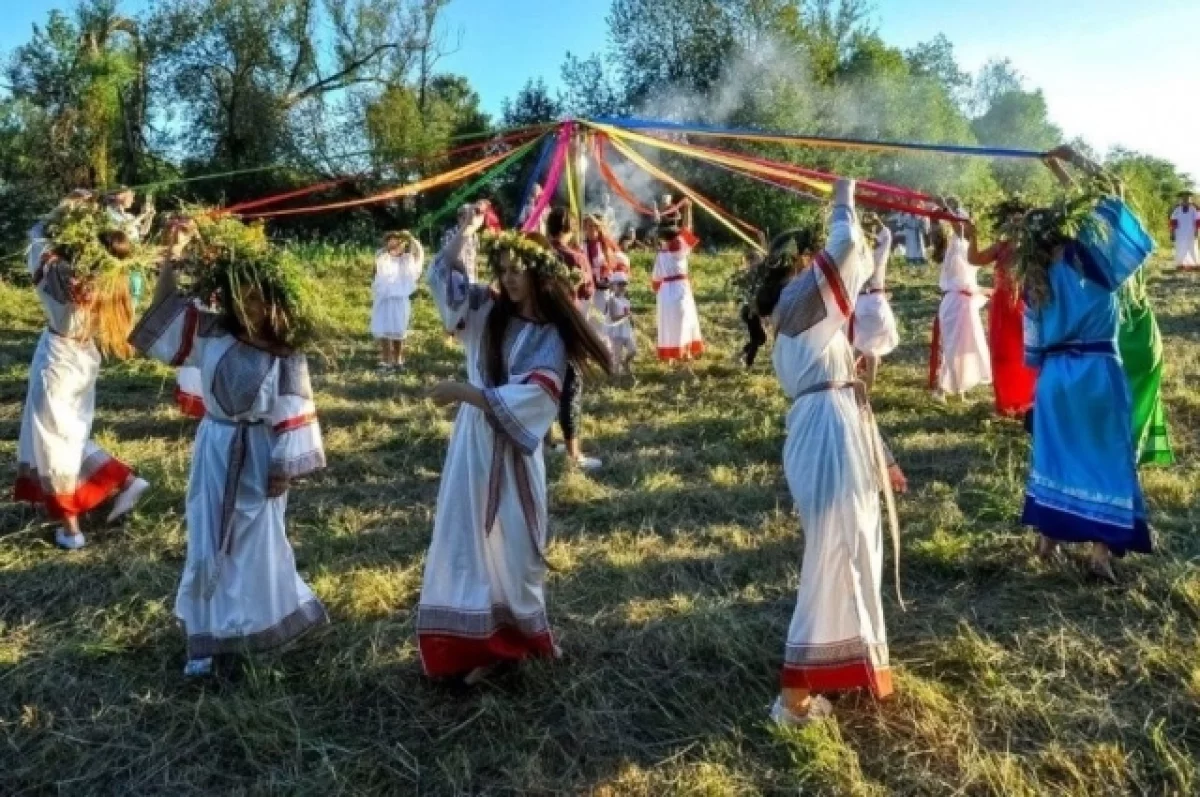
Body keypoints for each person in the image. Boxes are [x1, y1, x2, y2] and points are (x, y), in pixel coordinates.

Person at [129, 224, 328, 676]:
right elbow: (163, 313)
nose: (248, 305)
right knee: (207, 536)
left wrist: (283, 466)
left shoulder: (284, 352)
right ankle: (210, 634)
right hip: (216, 446)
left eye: (256, 296)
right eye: (241, 295)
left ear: (274, 300)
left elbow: (295, 407)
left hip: (259, 453)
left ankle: (251, 628)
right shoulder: (213, 334)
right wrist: (171, 258)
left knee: (252, 540)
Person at [416, 229, 612, 683]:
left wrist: (465, 391)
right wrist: (461, 237)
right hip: (475, 444)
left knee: (520, 543)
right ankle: (481, 645)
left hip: (516, 448)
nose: (508, 280)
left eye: (516, 271)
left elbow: (537, 395)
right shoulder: (488, 310)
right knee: (471, 538)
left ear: (539, 273)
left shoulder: (553, 336)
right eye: (502, 270)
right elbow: (448, 282)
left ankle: (525, 636)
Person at [752, 180, 907, 726]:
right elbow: (845, 255)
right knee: (835, 553)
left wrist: (881, 455)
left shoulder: (803, 320)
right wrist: (843, 202)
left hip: (832, 431)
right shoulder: (798, 309)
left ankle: (846, 665)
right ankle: (794, 699)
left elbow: (855, 372)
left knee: (853, 546)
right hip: (826, 437)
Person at [1023, 146, 1154, 581]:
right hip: (1097, 374)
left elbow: (1032, 351)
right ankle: (1100, 556)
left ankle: (1047, 543)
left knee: (1056, 456)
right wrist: (1074, 161)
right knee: (1106, 458)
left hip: (1056, 380)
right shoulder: (1094, 263)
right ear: (1074, 228)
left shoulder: (1035, 279)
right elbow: (1112, 197)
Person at [15, 197, 151, 550]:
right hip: (85, 356)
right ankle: (123, 481)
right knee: (69, 432)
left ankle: (72, 528)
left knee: (52, 440)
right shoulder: (116, 284)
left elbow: (35, 238)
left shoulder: (65, 278)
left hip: (59, 358)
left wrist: (61, 210)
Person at [966, 200, 1037, 418]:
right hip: (1000, 307)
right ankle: (1005, 403)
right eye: (1010, 218)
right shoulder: (1001, 246)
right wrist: (973, 236)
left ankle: (1028, 402)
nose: (1014, 222)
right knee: (1001, 354)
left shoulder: (1032, 248)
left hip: (1024, 306)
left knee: (1024, 353)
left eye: (1018, 218)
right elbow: (974, 259)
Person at [546, 207, 603, 471]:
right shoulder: (574, 257)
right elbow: (588, 290)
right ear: (570, 229)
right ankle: (573, 454)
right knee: (570, 387)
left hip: (538, 326)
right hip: (567, 329)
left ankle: (546, 441)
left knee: (542, 383)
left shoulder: (538, 254)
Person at [929, 203, 991, 403]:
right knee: (952, 346)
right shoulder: (955, 244)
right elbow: (957, 226)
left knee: (967, 346)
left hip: (966, 304)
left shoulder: (968, 246)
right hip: (954, 303)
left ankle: (960, 389)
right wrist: (949, 213)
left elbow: (969, 281)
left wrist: (985, 291)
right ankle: (940, 389)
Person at [1118, 266, 1174, 466]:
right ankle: (1132, 458)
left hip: (1117, 344)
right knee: (1137, 407)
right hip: (1145, 338)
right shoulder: (1131, 247)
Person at [161, 217, 207, 419]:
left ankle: (205, 400)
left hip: (203, 310)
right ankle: (194, 400)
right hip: (186, 311)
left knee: (202, 355)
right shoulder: (171, 256)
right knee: (191, 357)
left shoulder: (200, 254)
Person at [652, 198, 704, 363]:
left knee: (670, 322)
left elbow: (655, 278)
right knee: (684, 319)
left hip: (666, 290)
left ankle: (674, 354)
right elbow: (688, 228)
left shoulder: (663, 252)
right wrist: (689, 210)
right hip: (679, 289)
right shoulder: (679, 247)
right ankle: (682, 353)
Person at [850, 215, 900, 390]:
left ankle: (850, 378)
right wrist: (878, 222)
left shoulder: (855, 256)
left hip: (859, 304)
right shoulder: (879, 255)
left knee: (858, 345)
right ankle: (867, 388)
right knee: (871, 351)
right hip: (877, 303)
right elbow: (887, 236)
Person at [371, 230, 425, 371]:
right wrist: (389, 248)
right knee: (384, 330)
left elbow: (419, 254)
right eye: (392, 241)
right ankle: (386, 360)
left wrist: (411, 237)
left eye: (399, 242)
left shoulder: (407, 260)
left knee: (398, 330)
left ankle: (398, 360)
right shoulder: (382, 256)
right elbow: (378, 265)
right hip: (384, 300)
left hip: (400, 301)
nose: (396, 245)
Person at [104, 186, 155, 309]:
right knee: (119, 291)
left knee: (135, 289)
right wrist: (142, 216)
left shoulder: (129, 216)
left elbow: (143, 232)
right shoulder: (108, 213)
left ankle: (129, 314)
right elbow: (121, 231)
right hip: (119, 258)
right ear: (120, 197)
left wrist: (149, 217)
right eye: (131, 196)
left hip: (134, 258)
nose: (133, 199)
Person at [738, 231, 770, 368]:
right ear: (751, 261)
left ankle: (741, 355)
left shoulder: (758, 272)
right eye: (758, 258)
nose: (761, 259)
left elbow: (767, 256)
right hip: (750, 311)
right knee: (757, 339)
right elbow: (767, 257)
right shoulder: (751, 274)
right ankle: (747, 364)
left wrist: (762, 239)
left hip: (753, 310)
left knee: (760, 339)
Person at [606, 270, 637, 377]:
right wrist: (625, 316)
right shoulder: (611, 300)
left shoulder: (626, 300)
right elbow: (614, 317)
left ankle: (626, 362)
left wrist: (632, 322)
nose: (622, 287)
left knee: (633, 350)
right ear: (613, 285)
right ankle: (615, 378)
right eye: (619, 284)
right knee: (617, 357)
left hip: (626, 330)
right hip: (616, 331)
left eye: (624, 284)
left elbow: (629, 315)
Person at [1169, 191, 1199, 271]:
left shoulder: (1194, 209)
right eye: (1184, 198)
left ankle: (1195, 264)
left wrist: (1197, 231)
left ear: (1190, 199)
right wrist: (1172, 232)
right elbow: (1173, 221)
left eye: (1187, 198)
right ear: (1181, 199)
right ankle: (1180, 264)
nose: (1186, 200)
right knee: (1180, 248)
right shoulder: (1177, 209)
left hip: (1191, 232)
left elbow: (1197, 220)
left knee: (1192, 247)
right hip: (1180, 232)